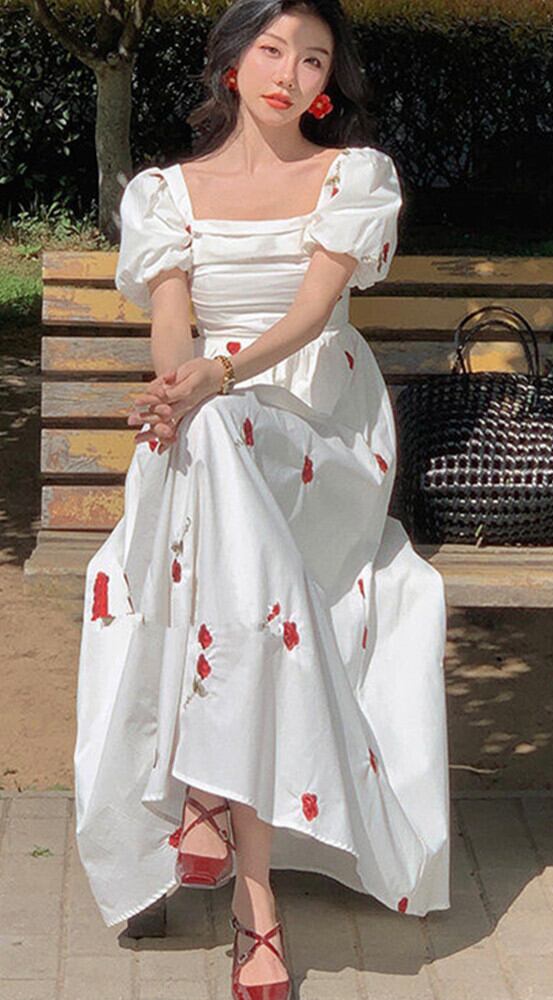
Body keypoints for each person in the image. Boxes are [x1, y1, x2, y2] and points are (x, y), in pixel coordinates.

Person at [73, 1, 450, 996]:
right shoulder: (164, 194)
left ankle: (205, 791)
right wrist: (176, 387)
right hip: (206, 431)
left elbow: (314, 313)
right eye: (273, 50)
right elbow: (171, 321)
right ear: (233, 64)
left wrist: (214, 378)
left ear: (326, 84)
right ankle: (256, 900)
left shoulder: (353, 177)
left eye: (313, 59)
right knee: (212, 455)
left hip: (319, 432)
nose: (290, 73)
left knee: (217, 437)